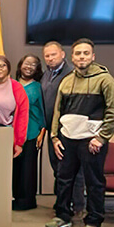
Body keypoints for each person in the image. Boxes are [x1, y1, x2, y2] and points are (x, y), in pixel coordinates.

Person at [45, 38, 114, 227]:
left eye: (86, 53)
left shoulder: (105, 80)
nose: (81, 57)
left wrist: (102, 137)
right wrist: (55, 137)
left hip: (92, 142)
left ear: (93, 56)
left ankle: (94, 221)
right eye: (78, 53)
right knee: (63, 179)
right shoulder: (67, 81)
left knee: (94, 182)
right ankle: (63, 216)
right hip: (67, 140)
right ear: (72, 57)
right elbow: (58, 112)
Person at [40, 41, 85, 214]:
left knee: (73, 171)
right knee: (58, 169)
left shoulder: (72, 75)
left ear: (63, 54)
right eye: (47, 56)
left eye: (53, 54)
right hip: (52, 131)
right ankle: (62, 204)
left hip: (69, 131)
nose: (50, 58)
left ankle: (77, 206)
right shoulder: (46, 75)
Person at [10, 54, 47, 210]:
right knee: (14, 167)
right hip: (12, 132)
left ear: (37, 69)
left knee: (28, 168)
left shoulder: (38, 87)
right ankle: (15, 197)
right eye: (26, 63)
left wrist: (42, 131)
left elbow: (43, 111)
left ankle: (27, 201)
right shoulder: (11, 84)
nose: (29, 67)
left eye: (33, 65)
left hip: (32, 132)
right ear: (20, 65)